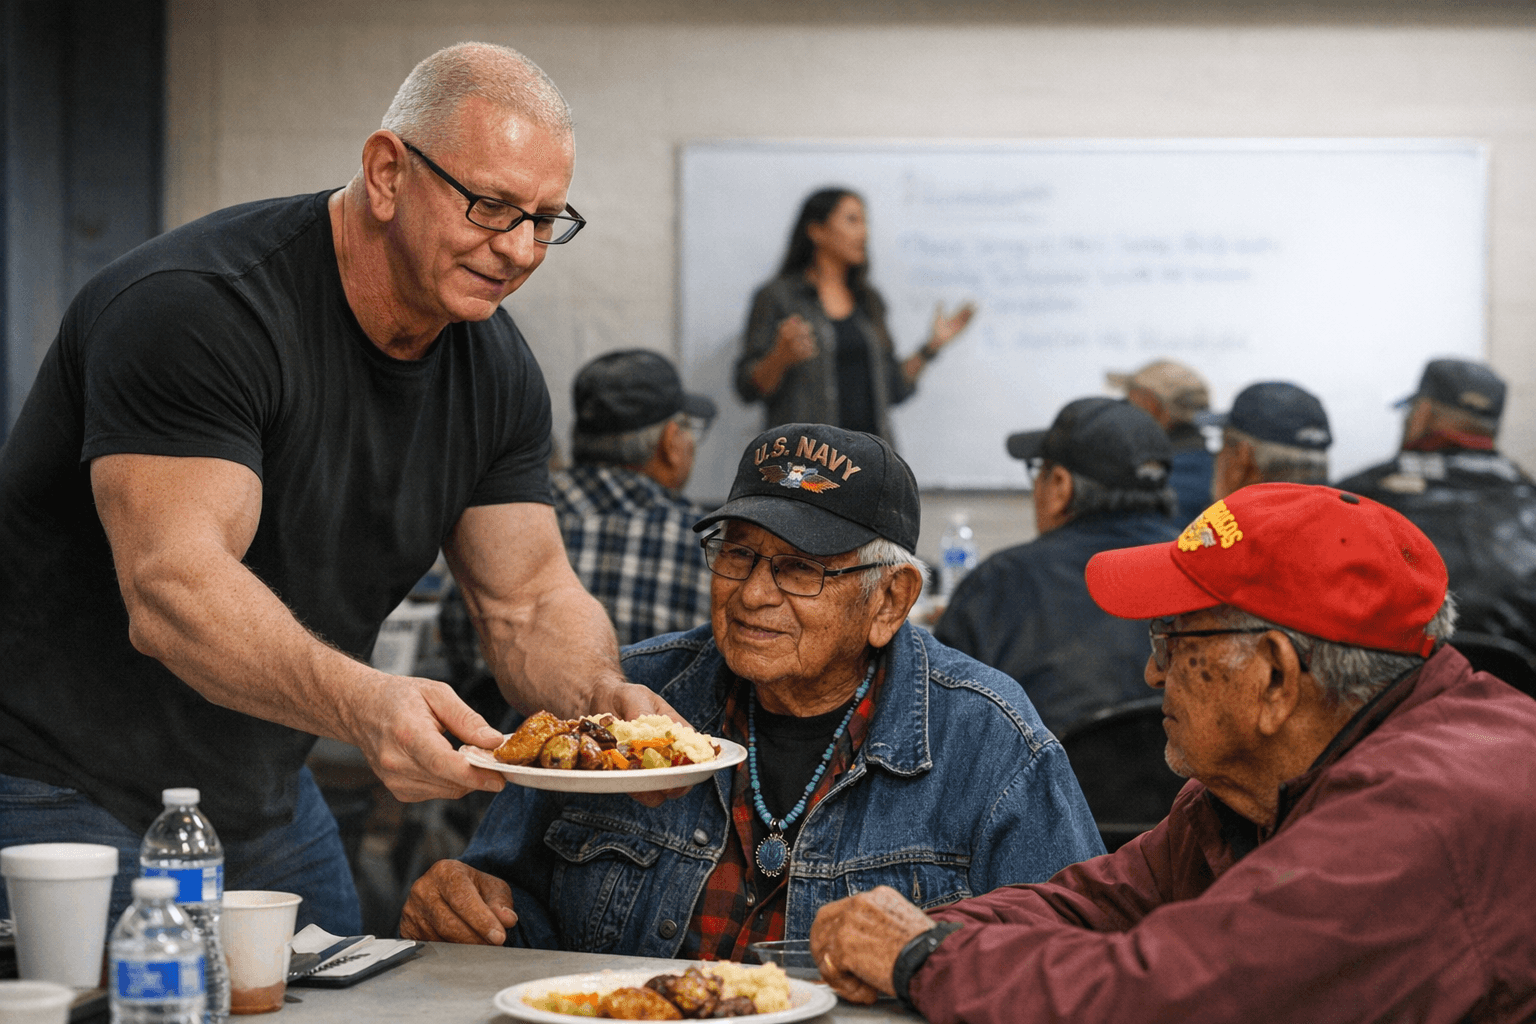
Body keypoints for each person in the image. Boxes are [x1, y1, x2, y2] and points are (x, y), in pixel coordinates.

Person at [0, 43, 675, 932]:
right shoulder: (198, 309)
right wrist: (366, 706)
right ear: (387, 172)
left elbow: (527, 599)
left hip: (269, 794)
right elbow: (172, 590)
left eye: (546, 220)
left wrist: (602, 704)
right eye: (490, 206)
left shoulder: (497, 366)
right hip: (62, 784)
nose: (517, 250)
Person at [810, 483, 1536, 1024]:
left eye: (1172, 642)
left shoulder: (1424, 810)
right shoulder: (1261, 782)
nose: (1152, 673)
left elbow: (1170, 996)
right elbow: (1098, 904)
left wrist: (922, 958)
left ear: (1276, 677)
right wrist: (920, 931)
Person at [399, 424, 1104, 959]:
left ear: (891, 599)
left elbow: (1069, 960)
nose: (753, 594)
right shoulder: (623, 705)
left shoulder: (988, 742)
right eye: (737, 553)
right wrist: (467, 900)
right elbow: (503, 898)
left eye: (801, 569)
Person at [934, 398, 1180, 734]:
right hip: (1182, 783)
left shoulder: (999, 583)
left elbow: (940, 724)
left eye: (1039, 471)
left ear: (1061, 486)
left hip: (1040, 785)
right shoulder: (1205, 570)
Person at [734, 188, 974, 438]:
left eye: (865, 222)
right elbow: (747, 390)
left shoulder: (869, 301)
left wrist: (931, 347)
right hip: (808, 464)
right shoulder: (778, 297)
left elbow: (893, 388)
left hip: (870, 462)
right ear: (816, 231)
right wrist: (779, 357)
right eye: (852, 220)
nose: (864, 232)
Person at [1338, 358, 1536, 656]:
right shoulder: (1529, 499)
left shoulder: (1351, 498)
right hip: (1516, 698)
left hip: (1389, 697)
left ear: (1422, 414)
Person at [1107, 359, 1213, 520]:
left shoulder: (1146, 485)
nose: (1123, 408)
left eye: (1128, 399)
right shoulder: (1218, 472)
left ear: (1150, 404)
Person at [1205, 381, 1331, 499]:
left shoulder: (1205, 521)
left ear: (1242, 457)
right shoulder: (1346, 513)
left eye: (1222, 444)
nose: (1216, 457)